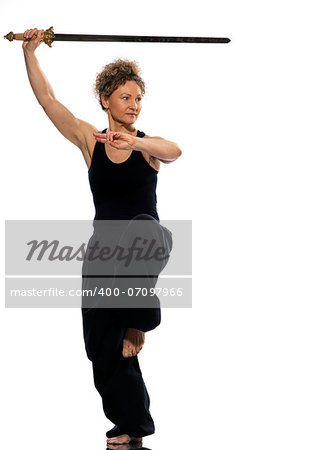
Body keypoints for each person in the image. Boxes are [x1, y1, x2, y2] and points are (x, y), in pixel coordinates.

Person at [22, 28, 182, 446]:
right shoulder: (90, 143)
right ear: (105, 100)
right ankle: (130, 425)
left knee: (139, 232)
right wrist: (30, 52)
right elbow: (48, 102)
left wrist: (134, 141)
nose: (134, 105)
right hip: (102, 254)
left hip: (146, 243)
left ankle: (139, 318)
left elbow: (175, 151)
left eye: (138, 98)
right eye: (126, 97)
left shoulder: (146, 145)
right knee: (100, 344)